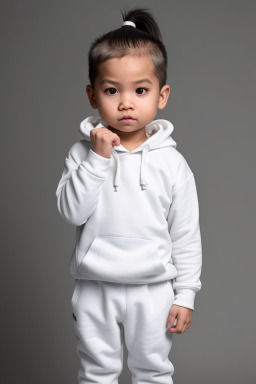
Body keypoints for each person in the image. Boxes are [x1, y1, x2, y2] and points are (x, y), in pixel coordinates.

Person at [56, 7, 202, 384]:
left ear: (162, 95)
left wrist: (185, 295)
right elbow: (72, 212)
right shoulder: (80, 155)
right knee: (96, 373)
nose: (125, 102)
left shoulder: (173, 164)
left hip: (153, 290)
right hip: (94, 288)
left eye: (140, 90)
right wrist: (97, 159)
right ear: (92, 95)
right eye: (110, 90)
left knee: (153, 372)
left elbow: (185, 234)